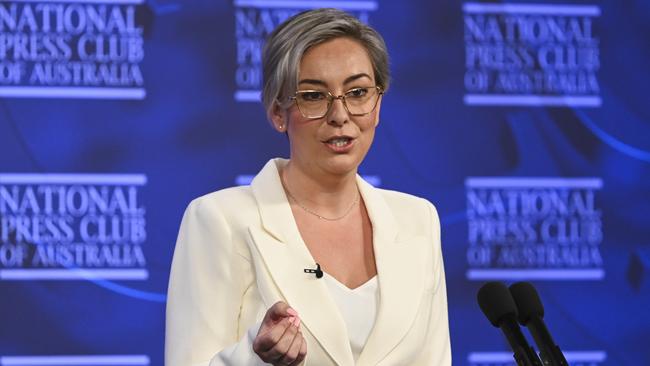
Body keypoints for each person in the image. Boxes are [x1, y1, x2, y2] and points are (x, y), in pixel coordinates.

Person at [165, 8, 451, 366]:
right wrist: (257, 358)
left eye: (358, 92)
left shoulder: (418, 220)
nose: (340, 115)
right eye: (314, 96)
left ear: (378, 105)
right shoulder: (219, 220)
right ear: (277, 112)